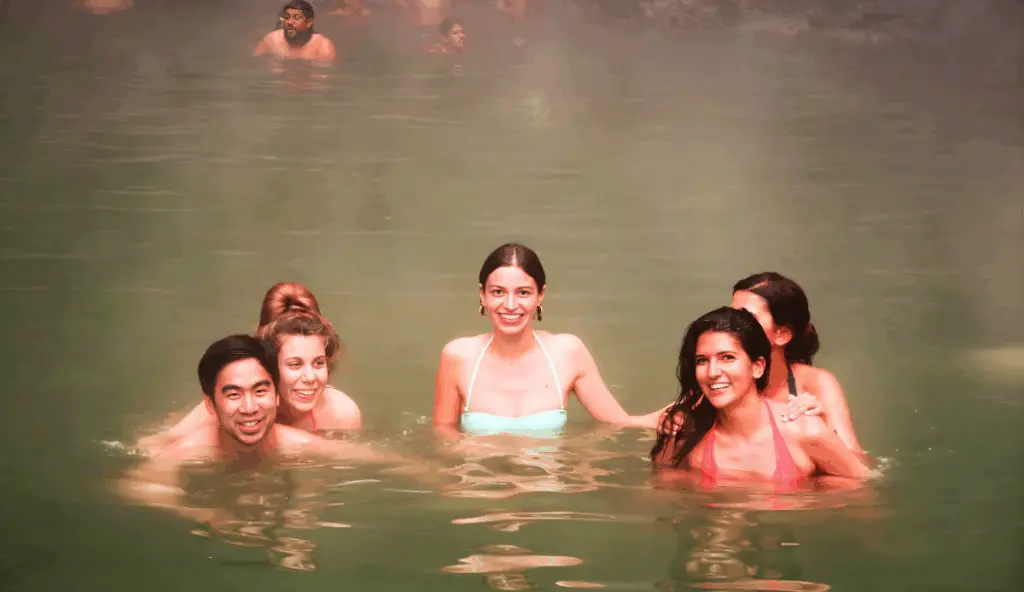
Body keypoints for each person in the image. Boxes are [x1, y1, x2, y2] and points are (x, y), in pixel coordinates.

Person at [119, 335, 395, 522]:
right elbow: (134, 488)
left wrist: (435, 475)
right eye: (234, 394)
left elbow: (385, 461)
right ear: (211, 405)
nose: (250, 407)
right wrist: (207, 515)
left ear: (277, 395)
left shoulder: (302, 444)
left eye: (260, 391)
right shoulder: (188, 450)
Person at [433, 243, 668, 437]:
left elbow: (619, 423)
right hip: (480, 486)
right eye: (498, 292)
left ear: (540, 295)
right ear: (482, 295)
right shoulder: (459, 356)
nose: (511, 305)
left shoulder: (567, 352)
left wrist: (672, 417)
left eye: (523, 292)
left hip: (547, 487)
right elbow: (443, 437)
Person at [650, 307, 872, 489]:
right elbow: (662, 495)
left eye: (727, 357)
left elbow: (865, 495)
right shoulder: (684, 434)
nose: (713, 372)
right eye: (702, 360)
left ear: (757, 367)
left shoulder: (805, 431)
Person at [137, 283, 360, 453]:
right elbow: (154, 445)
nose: (310, 377)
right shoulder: (229, 407)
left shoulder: (341, 413)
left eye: (318, 363)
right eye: (294, 364)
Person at [730, 272, 863, 452]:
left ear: (781, 334)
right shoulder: (718, 376)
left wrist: (825, 426)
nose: (730, 327)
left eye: (747, 319)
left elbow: (858, 465)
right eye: (730, 316)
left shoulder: (816, 383)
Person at [253, 0, 336, 62]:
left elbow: (325, 79)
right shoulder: (272, 40)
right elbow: (254, 65)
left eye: (296, 18)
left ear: (309, 22)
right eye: (287, 17)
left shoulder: (322, 46)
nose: (289, 22)